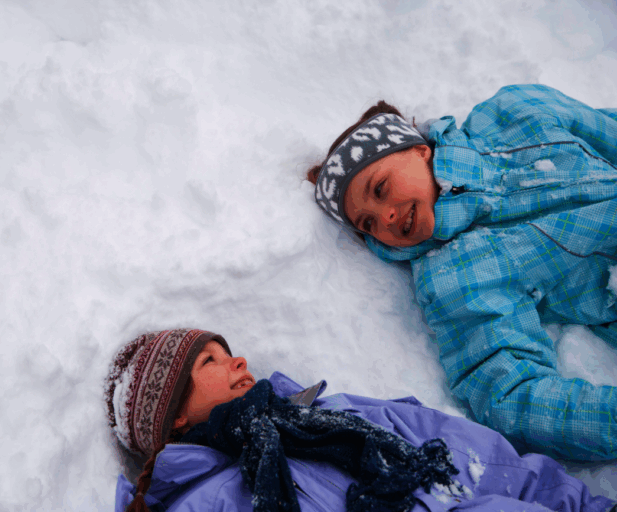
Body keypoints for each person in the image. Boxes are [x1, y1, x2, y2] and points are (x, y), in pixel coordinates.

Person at [307, 84, 617, 461]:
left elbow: (604, 130)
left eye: (382, 188)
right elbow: (509, 395)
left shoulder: (514, 111)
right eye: (368, 223)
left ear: (420, 150)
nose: (385, 216)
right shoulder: (455, 275)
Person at [105, 328, 615, 512]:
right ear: (171, 418)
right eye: (209, 362)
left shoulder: (335, 413)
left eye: (229, 352)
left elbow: (481, 462)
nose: (239, 362)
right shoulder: (201, 502)